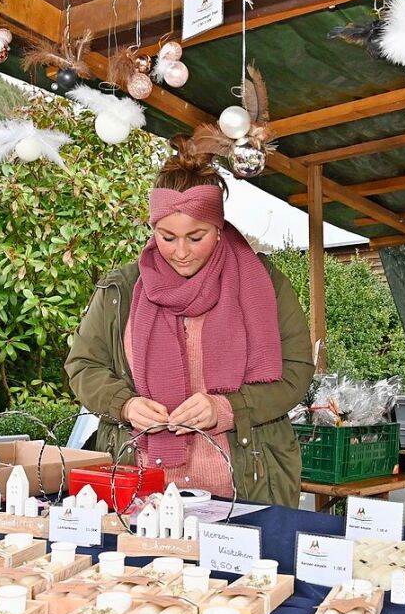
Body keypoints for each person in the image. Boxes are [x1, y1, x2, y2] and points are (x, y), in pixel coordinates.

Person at [65, 136, 315, 507]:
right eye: (167, 237)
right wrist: (126, 405)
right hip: (140, 493)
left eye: (195, 237)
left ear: (218, 228)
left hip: (246, 488)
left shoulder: (263, 283)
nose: (180, 252)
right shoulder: (121, 290)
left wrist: (227, 408)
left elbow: (296, 371)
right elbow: (83, 366)